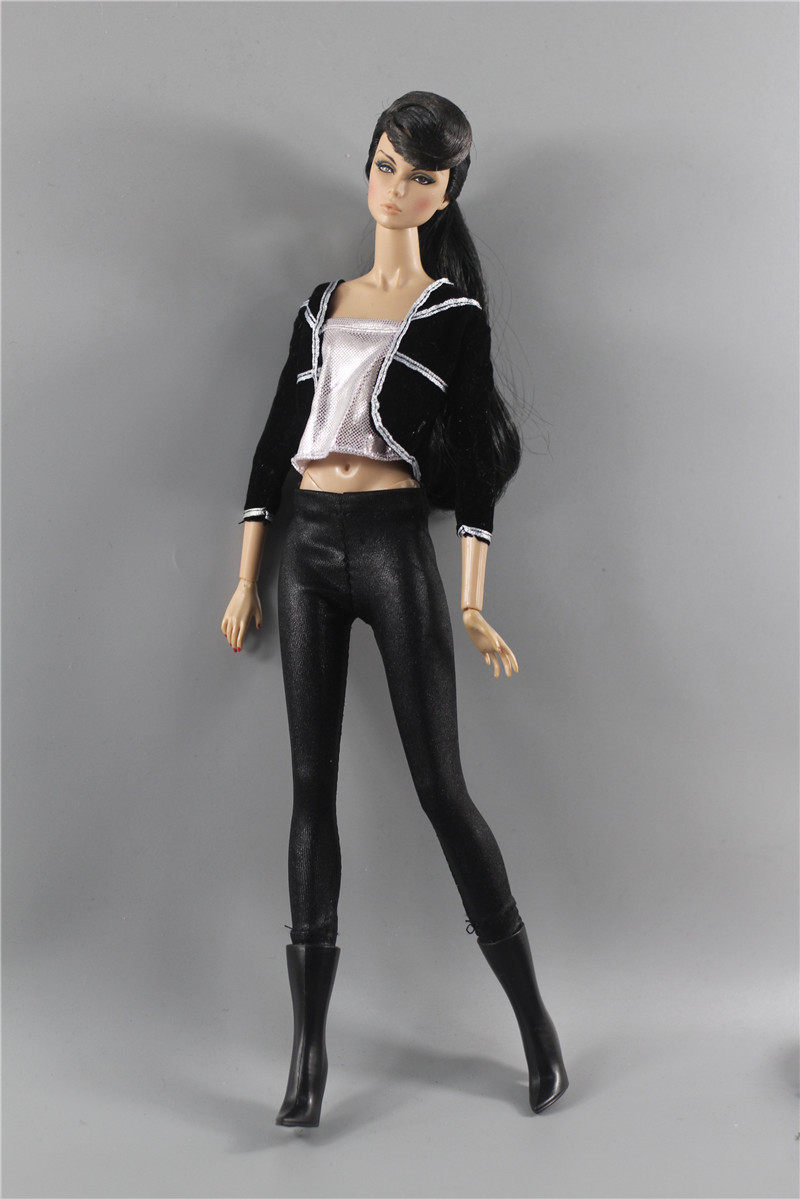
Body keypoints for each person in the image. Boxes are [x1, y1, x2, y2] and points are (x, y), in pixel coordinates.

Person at [221, 91, 568, 1127]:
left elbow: (475, 470)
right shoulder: (320, 304)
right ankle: (307, 1058)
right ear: (366, 167)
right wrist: (245, 575)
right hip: (305, 550)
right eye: (386, 165)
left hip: (389, 546)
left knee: (439, 787)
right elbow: (271, 445)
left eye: (422, 176)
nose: (398, 187)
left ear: (446, 192)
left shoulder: (453, 317)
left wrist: (473, 600)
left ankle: (535, 1023)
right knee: (307, 788)